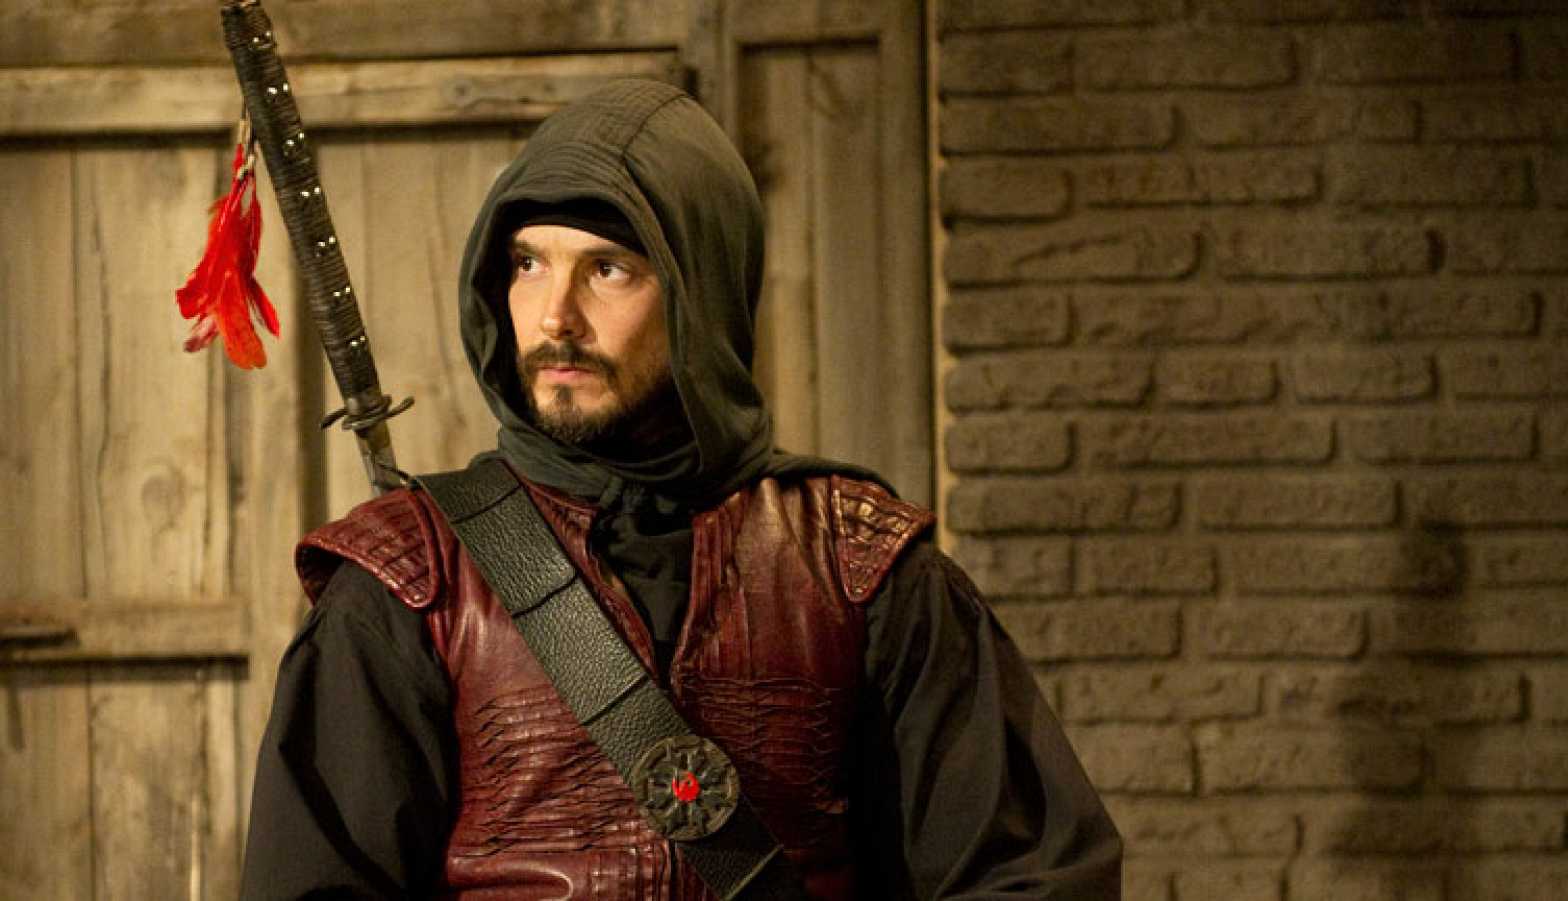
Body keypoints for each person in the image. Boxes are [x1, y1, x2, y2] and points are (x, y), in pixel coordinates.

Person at [240, 78, 1120, 899]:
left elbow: (1027, 877)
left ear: (702, 293)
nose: (555, 316)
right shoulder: (407, 585)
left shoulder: (863, 570)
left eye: (608, 269)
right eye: (528, 263)